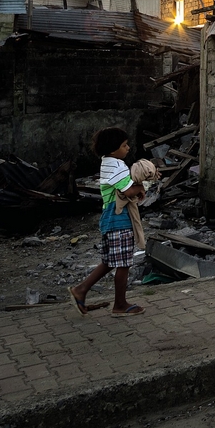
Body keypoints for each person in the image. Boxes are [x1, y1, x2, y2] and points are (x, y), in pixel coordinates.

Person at [70, 127, 146, 316]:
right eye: (124, 145)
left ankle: (81, 289)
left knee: (110, 261)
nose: (128, 148)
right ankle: (120, 304)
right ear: (113, 149)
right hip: (119, 219)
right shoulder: (117, 165)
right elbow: (128, 191)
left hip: (109, 219)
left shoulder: (107, 162)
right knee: (123, 264)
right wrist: (142, 185)